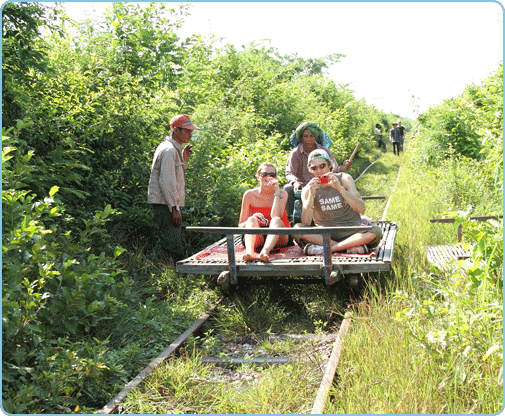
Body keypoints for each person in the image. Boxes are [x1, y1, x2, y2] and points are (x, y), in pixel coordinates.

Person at [293, 149, 382, 255]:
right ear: (310, 170)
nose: (319, 171)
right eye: (314, 168)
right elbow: (306, 223)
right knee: (297, 229)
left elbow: (361, 209)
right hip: (325, 234)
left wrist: (340, 188)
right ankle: (348, 247)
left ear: (330, 165)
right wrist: (311, 195)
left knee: (375, 230)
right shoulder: (308, 188)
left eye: (322, 166)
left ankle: (330, 249)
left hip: (351, 231)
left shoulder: (344, 179)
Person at [147, 114, 198, 262]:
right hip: (166, 205)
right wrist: (174, 209)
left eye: (191, 131)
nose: (190, 134)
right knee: (173, 246)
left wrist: (184, 160)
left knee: (175, 243)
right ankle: (172, 278)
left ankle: (172, 276)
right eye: (187, 131)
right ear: (176, 130)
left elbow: (174, 175)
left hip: (168, 204)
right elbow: (166, 182)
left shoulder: (173, 149)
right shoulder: (169, 151)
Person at [283, 121, 352, 221]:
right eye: (306, 136)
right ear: (301, 138)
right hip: (302, 186)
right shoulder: (295, 153)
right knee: (287, 188)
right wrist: (295, 182)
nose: (309, 139)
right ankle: (289, 220)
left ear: (316, 137)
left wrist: (344, 167)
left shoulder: (325, 151)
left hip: (323, 183)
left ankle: (342, 215)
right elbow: (289, 173)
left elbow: (334, 168)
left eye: (311, 136)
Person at [238, 162, 292, 262]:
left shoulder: (282, 193)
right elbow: (241, 225)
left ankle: (265, 252)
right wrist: (253, 218)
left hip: (278, 235)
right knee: (251, 219)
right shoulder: (249, 195)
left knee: (275, 220)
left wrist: (276, 192)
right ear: (258, 177)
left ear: (275, 178)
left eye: (272, 175)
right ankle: (250, 253)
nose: (268, 177)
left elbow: (276, 215)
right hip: (257, 236)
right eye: (264, 174)